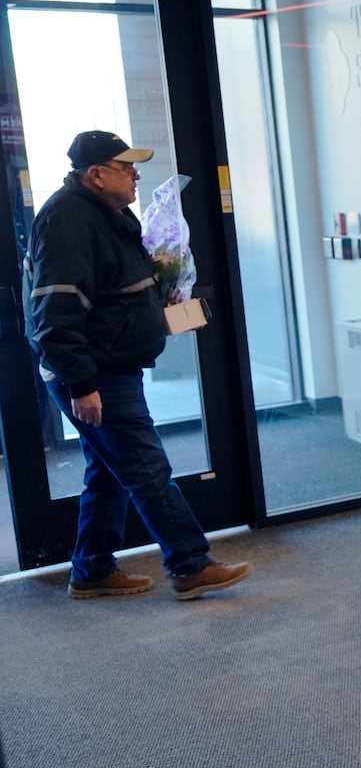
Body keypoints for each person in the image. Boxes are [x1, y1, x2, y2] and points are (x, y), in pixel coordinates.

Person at [25, 130, 251, 601]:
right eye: (125, 166)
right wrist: (81, 383)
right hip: (95, 373)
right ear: (96, 174)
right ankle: (190, 564)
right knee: (147, 468)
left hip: (111, 365)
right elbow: (56, 311)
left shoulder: (107, 213)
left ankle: (91, 570)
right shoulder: (69, 220)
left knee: (108, 470)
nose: (135, 174)